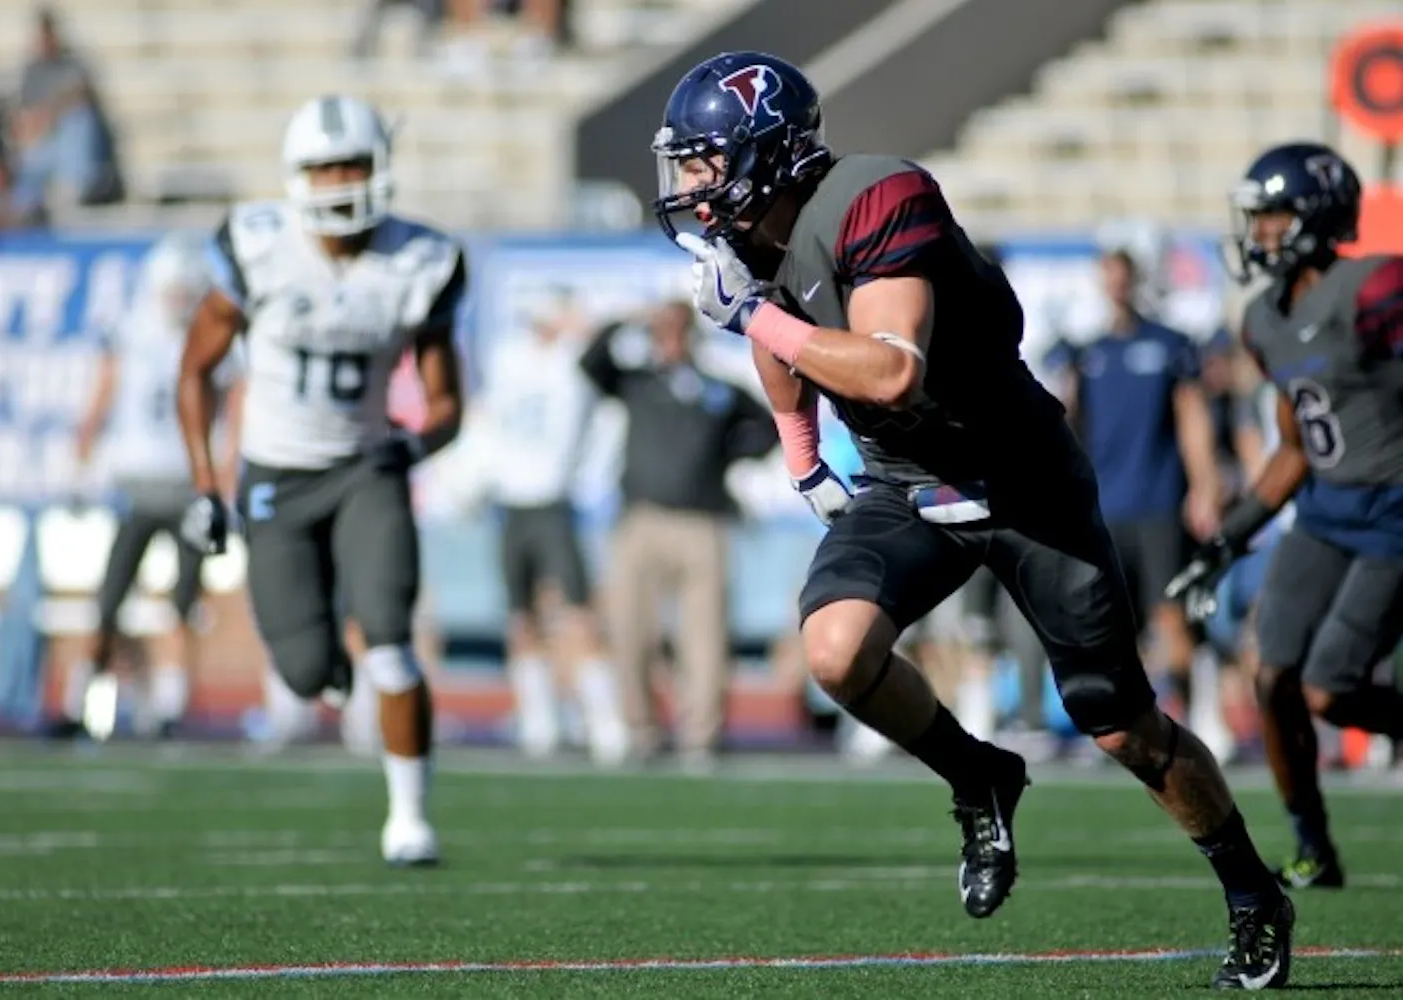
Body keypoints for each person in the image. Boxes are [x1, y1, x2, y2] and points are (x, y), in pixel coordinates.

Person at [654, 51, 1291, 988]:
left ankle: (1249, 887)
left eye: (707, 161)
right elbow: (785, 351)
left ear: (772, 152)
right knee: (834, 651)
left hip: (1019, 477)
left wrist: (754, 315)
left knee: (1120, 727)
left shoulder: (879, 196)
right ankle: (978, 774)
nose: (693, 185)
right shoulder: (752, 236)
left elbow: (888, 369)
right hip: (906, 479)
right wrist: (802, 464)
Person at [177, 94, 466, 867]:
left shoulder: (421, 259)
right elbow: (196, 370)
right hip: (275, 473)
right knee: (304, 672)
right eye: (323, 167)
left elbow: (445, 403)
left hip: (365, 467)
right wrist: (206, 484)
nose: (339, 182)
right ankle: (323, 668)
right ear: (295, 176)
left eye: (352, 164)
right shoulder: (259, 245)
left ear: (381, 169)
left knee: (392, 645)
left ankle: (410, 818)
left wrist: (415, 446)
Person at [1169, 142, 1403, 893]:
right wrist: (1227, 539)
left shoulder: (1374, 288)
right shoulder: (1263, 322)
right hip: (1326, 511)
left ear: (1316, 216)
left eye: (1272, 213)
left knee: (1329, 689)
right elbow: (1296, 444)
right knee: (1271, 678)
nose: (1259, 230)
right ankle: (1311, 844)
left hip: (1394, 511)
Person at [53, 233, 242, 742]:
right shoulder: (131, 331)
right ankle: (83, 704)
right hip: (136, 486)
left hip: (187, 486)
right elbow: (102, 394)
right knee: (108, 601)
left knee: (182, 603)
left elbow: (233, 401)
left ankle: (169, 709)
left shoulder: (210, 334)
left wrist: (224, 473)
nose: (177, 302)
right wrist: (80, 461)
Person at [580, 299, 777, 768]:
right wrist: (627, 318)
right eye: (660, 330)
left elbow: (767, 429)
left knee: (704, 636)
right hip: (641, 521)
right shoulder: (637, 382)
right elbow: (590, 363)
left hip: (702, 522)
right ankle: (641, 729)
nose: (667, 338)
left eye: (674, 329)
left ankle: (700, 736)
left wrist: (727, 456)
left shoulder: (716, 389)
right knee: (631, 631)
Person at [1044, 249, 1223, 720]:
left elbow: (1192, 419)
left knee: (1171, 614)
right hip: (1107, 505)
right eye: (1109, 279)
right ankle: (1138, 717)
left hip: (1158, 501)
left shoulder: (1169, 345)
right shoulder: (1088, 353)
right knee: (1115, 622)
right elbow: (1071, 427)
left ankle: (1194, 713)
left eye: (1123, 278)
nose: (1116, 288)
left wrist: (1204, 486)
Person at [480, 288, 628, 764]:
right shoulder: (508, 358)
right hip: (512, 501)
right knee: (521, 617)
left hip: (555, 500)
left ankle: (604, 720)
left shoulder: (574, 362)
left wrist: (578, 325)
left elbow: (610, 329)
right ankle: (539, 718)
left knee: (578, 611)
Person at [13, 7, 124, 207]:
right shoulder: (32, 72)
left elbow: (81, 97)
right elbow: (25, 118)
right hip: (45, 144)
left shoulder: (73, 63)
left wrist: (49, 114)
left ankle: (72, 188)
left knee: (78, 121)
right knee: (28, 147)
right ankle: (30, 197)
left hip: (72, 145)